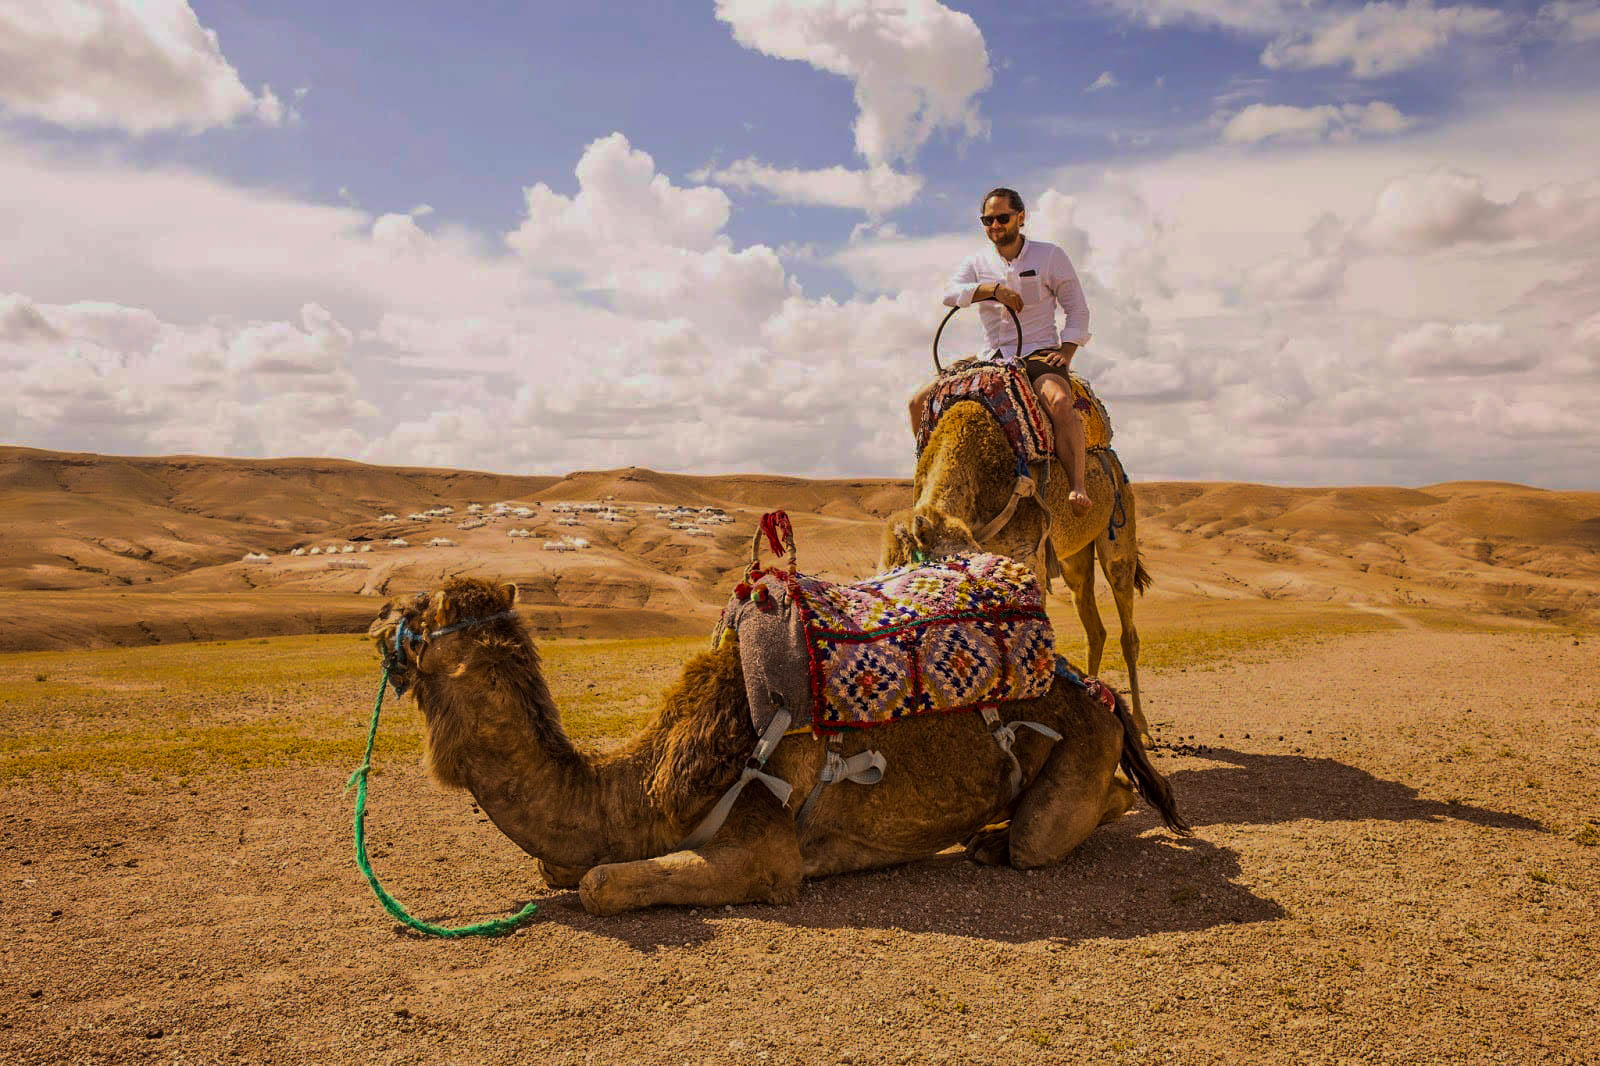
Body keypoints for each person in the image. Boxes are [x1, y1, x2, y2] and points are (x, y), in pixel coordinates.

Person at [910, 187, 1094, 514]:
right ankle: (929, 483)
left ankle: (1078, 488)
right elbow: (949, 294)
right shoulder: (976, 262)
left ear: (1020, 218)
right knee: (918, 403)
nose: (995, 225)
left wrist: (1066, 352)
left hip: (1037, 353)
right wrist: (993, 290)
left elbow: (1077, 309)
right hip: (989, 358)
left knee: (1060, 400)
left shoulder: (1050, 256)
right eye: (988, 219)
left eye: (1002, 218)